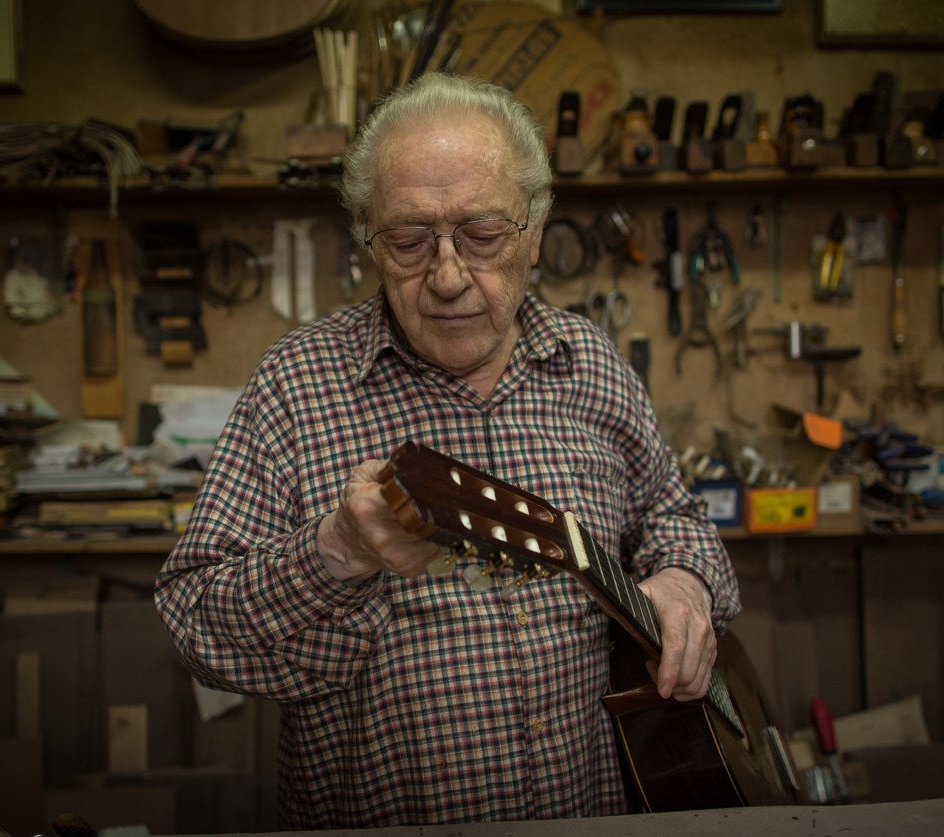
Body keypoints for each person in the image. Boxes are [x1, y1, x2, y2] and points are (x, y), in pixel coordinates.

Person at [154, 71, 740, 828]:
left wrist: (686, 582)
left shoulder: (590, 364)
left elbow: (674, 514)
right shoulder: (297, 385)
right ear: (367, 233)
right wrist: (334, 552)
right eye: (407, 239)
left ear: (534, 226)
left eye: (483, 234)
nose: (449, 275)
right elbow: (193, 622)